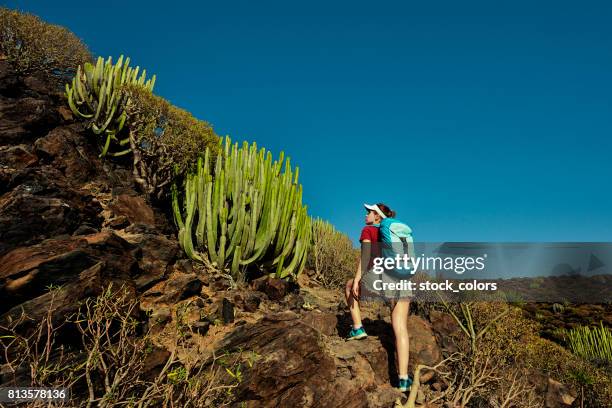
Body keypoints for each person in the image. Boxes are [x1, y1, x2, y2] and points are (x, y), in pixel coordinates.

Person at [344, 203, 413, 392]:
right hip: (404, 280)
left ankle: (358, 328)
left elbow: (365, 258)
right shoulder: (397, 235)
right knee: (400, 328)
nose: (366, 215)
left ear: (378, 217)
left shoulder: (368, 231)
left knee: (349, 286)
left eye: (369, 212)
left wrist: (357, 279)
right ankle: (404, 379)